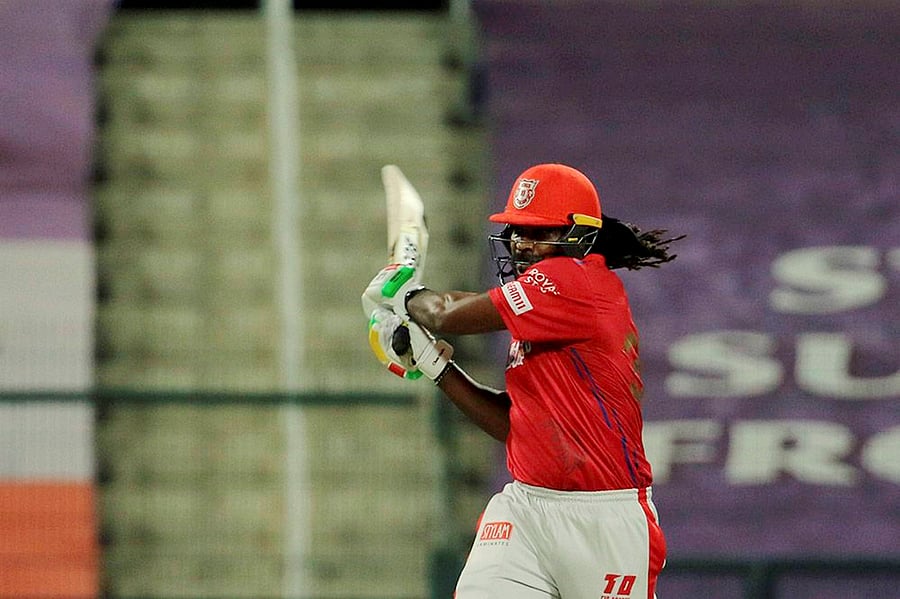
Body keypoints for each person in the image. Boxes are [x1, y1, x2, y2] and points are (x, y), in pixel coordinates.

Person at [364, 163, 682, 599]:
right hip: (525, 509)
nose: (523, 244)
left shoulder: (574, 280)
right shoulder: (540, 303)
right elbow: (517, 427)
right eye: (519, 230)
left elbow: (444, 314)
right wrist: (437, 368)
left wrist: (403, 295)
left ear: (579, 236)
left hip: (605, 517)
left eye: (541, 232)